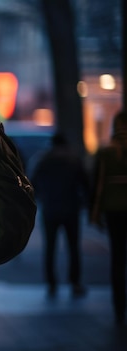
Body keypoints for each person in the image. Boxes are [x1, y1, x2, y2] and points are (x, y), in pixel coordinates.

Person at [30, 133, 89, 298]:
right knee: (73, 247)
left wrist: (42, 197)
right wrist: (83, 203)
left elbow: (32, 183)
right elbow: (85, 184)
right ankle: (75, 282)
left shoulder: (43, 159)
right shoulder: (74, 160)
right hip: (71, 208)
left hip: (50, 209)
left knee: (50, 247)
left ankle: (51, 283)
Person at [89, 110, 127, 325]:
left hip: (113, 210)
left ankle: (119, 306)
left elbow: (98, 184)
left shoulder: (106, 152)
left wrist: (95, 213)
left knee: (117, 259)